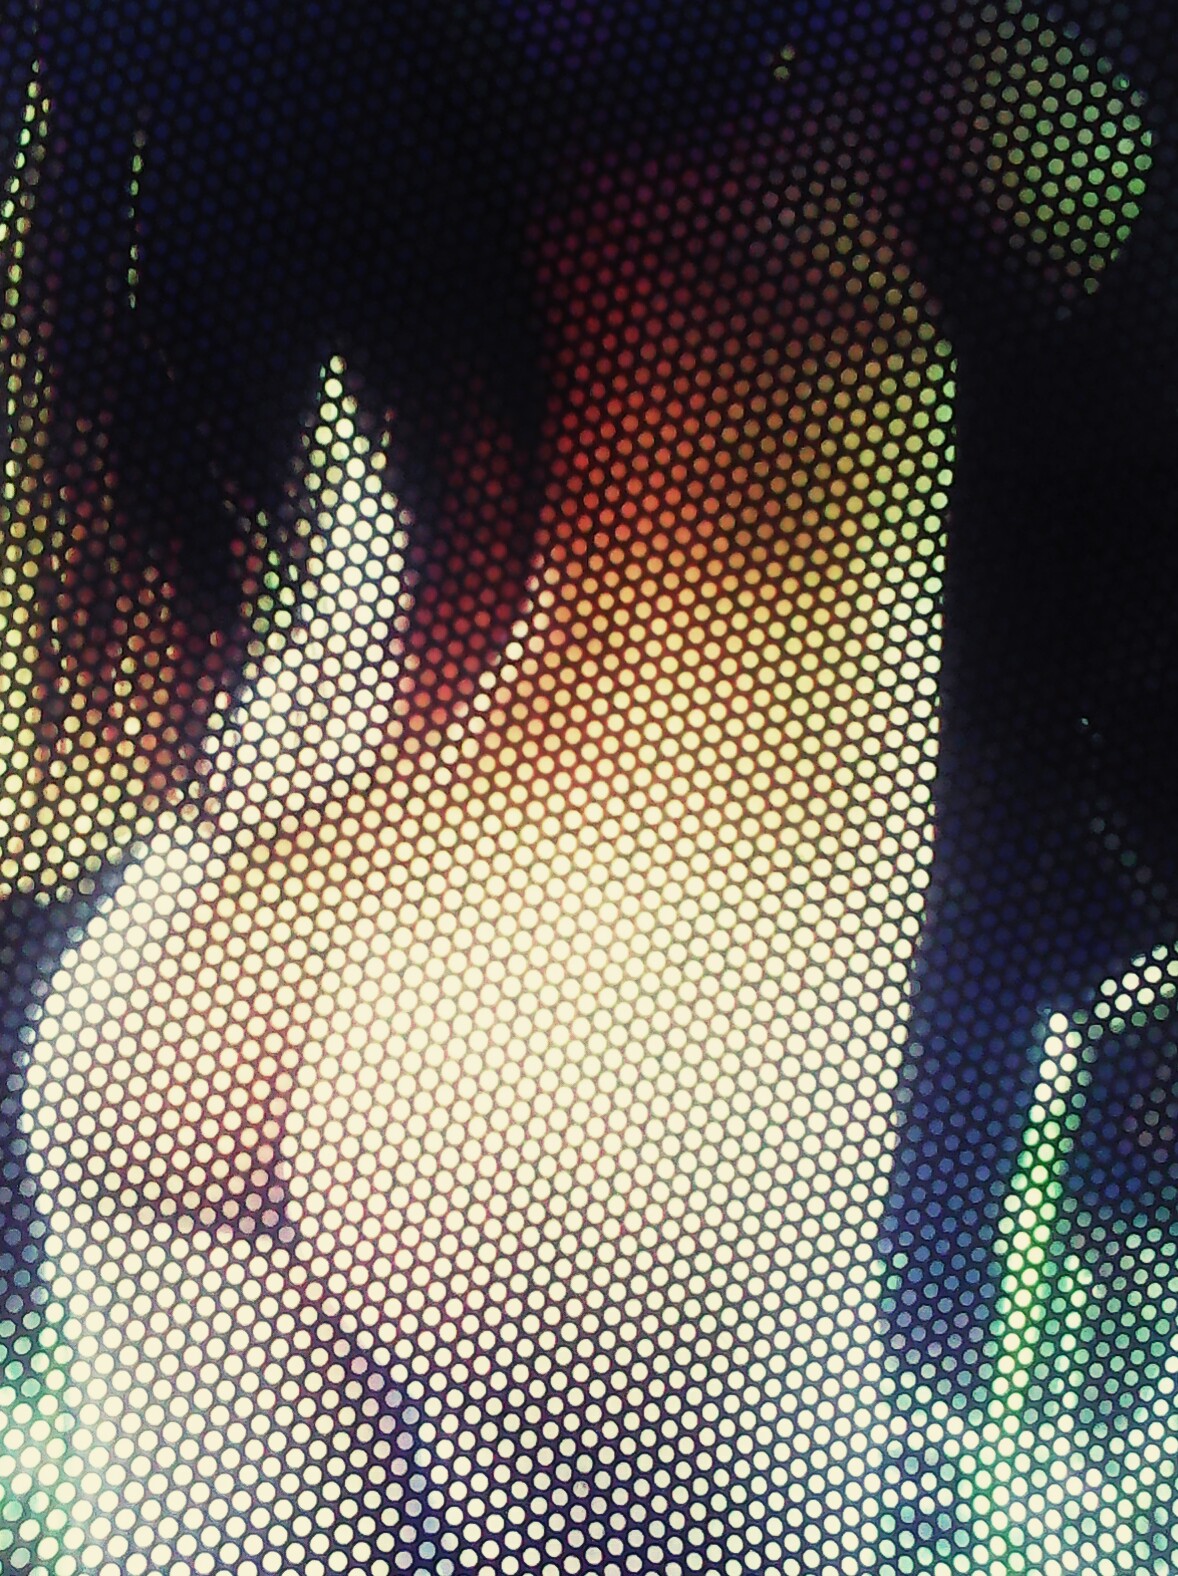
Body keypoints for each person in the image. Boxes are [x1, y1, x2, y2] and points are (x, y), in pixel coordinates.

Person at [2, 3, 1175, 1572]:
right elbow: (1093, 209)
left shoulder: (268, 71)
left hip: (206, 971)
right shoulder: (895, 62)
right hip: (598, 1002)